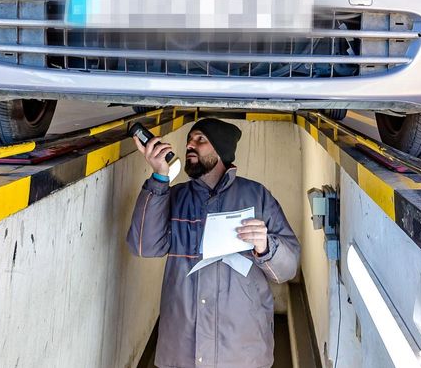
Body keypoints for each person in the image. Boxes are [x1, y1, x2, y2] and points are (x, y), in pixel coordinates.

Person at [128, 118, 299, 368]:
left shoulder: (257, 196)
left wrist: (266, 246)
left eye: (201, 140)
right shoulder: (173, 196)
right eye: (189, 140)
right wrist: (159, 178)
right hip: (182, 351)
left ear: (220, 151)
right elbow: (144, 246)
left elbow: (288, 268)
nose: (190, 145)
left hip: (241, 353)